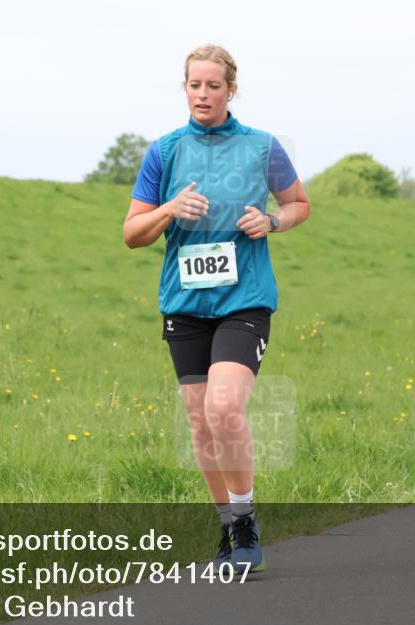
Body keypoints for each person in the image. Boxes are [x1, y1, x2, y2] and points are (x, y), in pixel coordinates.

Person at [123, 44, 311, 572]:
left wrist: (272, 222)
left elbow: (299, 204)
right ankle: (228, 527)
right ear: (183, 88)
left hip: (244, 299)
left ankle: (247, 519)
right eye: (193, 84)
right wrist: (167, 209)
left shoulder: (262, 147)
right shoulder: (164, 151)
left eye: (213, 85)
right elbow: (131, 234)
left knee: (223, 409)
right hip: (184, 304)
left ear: (231, 90)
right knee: (200, 424)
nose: (202, 94)